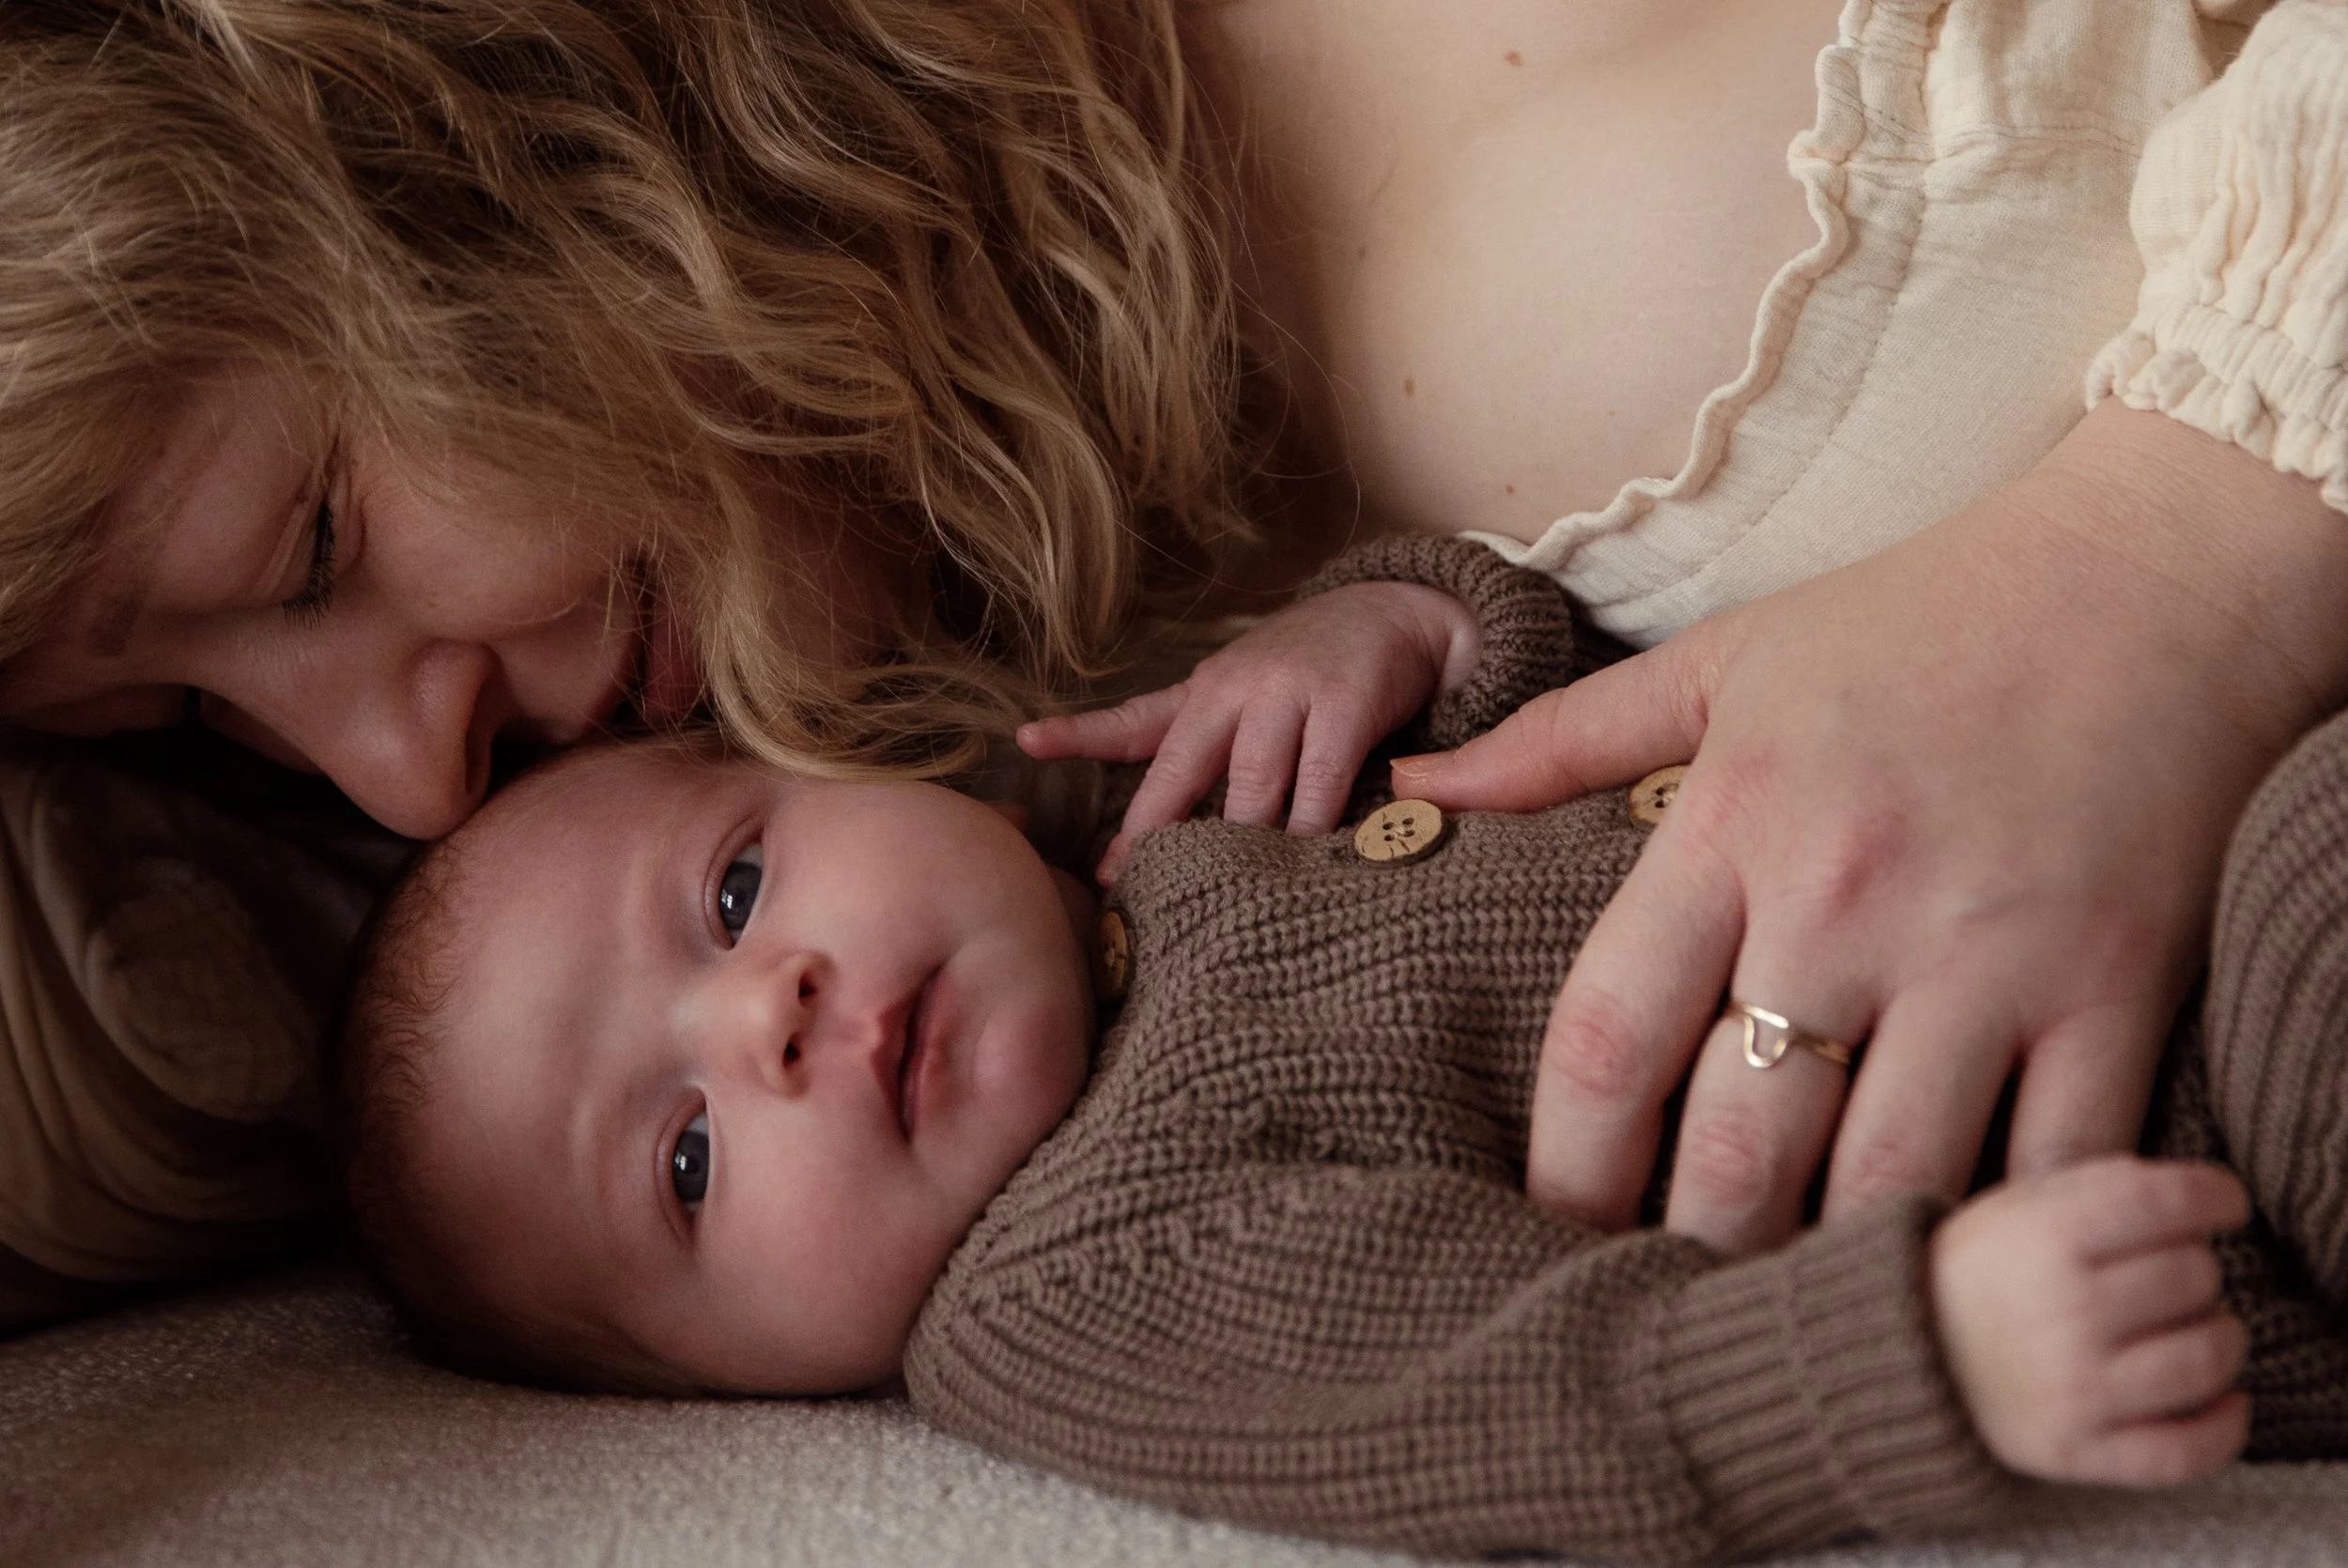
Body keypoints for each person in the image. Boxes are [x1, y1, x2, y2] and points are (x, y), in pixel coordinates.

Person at [13, 0, 2348, 1273]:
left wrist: (2169, 553)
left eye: (310, 537)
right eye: (194, 720)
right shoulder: (958, 719)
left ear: (451, 93)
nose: (403, 782)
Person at [335, 536, 2348, 1563]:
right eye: (682, 1160)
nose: (765, 1013)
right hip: (2174, 1129)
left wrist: (1392, 620)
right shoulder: (1070, 1293)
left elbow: (1582, 671)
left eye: (735, 888)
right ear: (713, 1394)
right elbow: (1531, 1398)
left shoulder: (1121, 813)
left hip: (2108, 797)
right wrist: (1929, 1346)